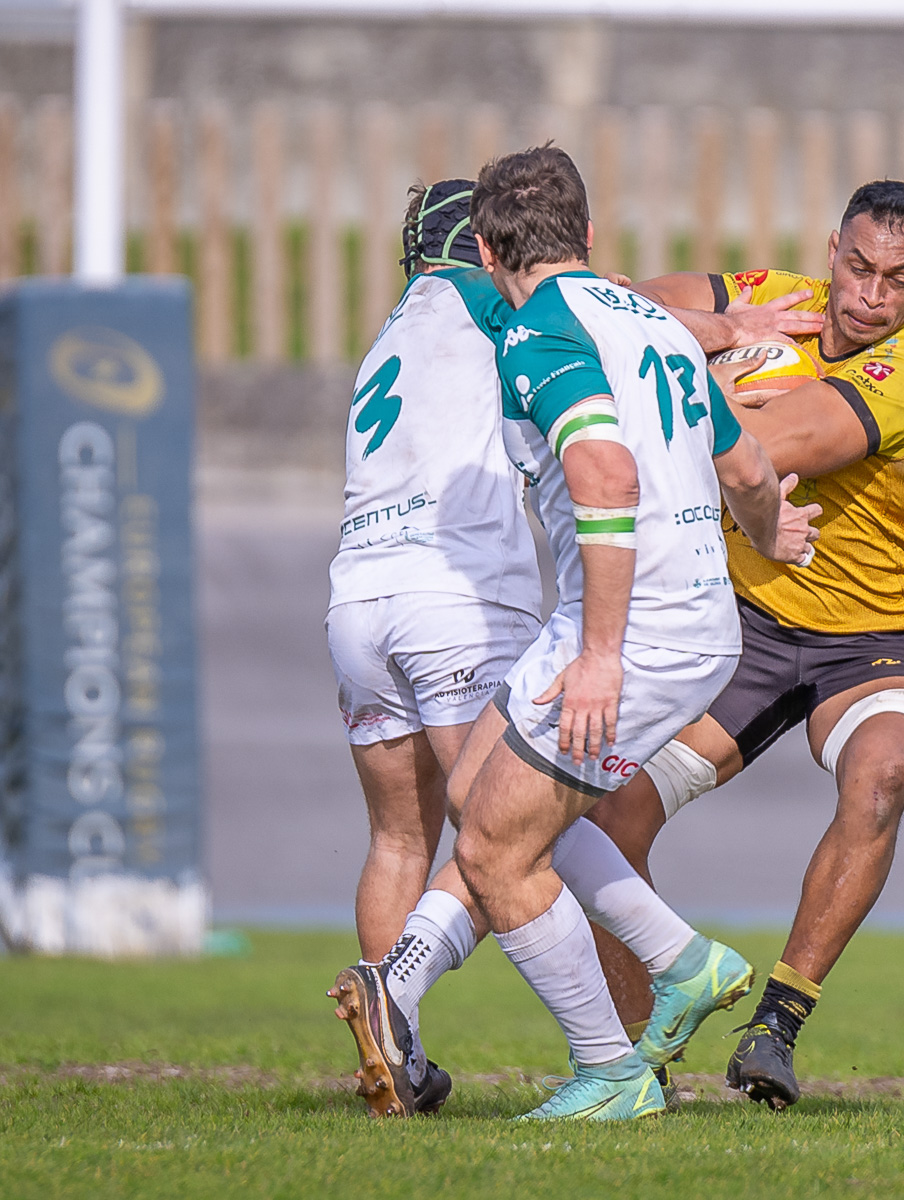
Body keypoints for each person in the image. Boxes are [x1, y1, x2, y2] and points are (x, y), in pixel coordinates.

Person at [329, 145, 819, 1122]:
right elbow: (751, 468)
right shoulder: (640, 321)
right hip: (650, 615)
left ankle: (610, 1071)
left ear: (485, 248)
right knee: (478, 807)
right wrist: (774, 533)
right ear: (591, 237)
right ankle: (682, 961)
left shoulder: (526, 331)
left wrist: (599, 655)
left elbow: (603, 479)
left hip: (621, 624)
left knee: (499, 849)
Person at [585, 180, 904, 1110]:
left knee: (879, 774)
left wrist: (691, 372)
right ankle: (640, 1062)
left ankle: (778, 1022)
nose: (871, 297)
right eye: (860, 269)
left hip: (877, 641)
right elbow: (628, 299)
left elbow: (763, 445)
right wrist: (721, 324)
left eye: (898, 281)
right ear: (832, 251)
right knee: (610, 811)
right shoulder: (774, 297)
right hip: (746, 631)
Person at [325, 180, 538, 969]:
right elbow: (598, 315)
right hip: (455, 595)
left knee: (396, 839)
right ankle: (399, 995)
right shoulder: (487, 297)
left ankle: (385, 1046)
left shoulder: (392, 331)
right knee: (507, 830)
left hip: (358, 602)